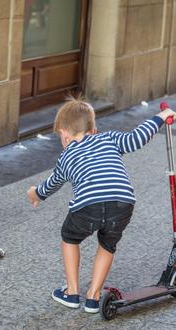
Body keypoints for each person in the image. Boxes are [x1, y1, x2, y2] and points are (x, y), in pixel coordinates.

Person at [27, 97, 176, 313]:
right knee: (107, 244)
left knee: (69, 237)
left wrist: (34, 194)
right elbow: (137, 138)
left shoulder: (66, 156)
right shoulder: (109, 139)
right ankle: (93, 296)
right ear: (94, 129)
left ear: (64, 135)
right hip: (122, 204)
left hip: (87, 206)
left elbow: (49, 186)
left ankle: (72, 291)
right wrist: (161, 117)